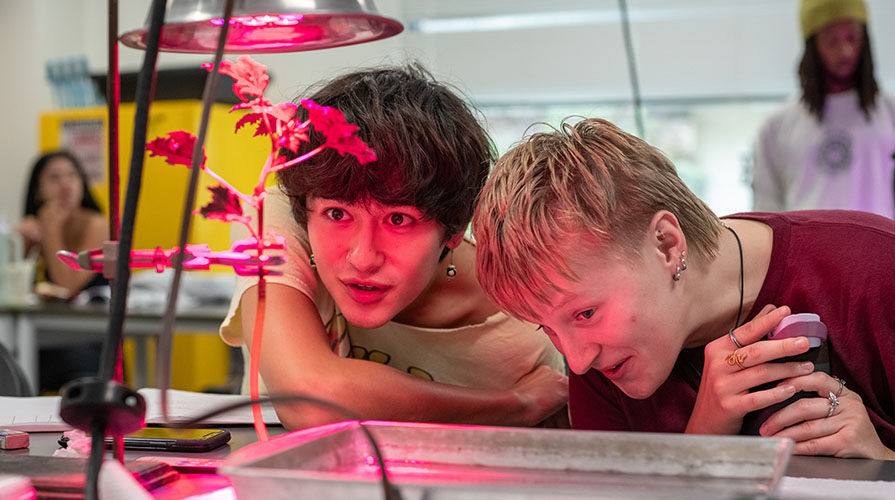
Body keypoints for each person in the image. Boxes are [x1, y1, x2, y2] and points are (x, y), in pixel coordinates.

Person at [473, 117, 895, 460]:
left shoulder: (875, 270)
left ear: (667, 243)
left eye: (585, 313)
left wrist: (882, 464)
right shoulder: (601, 369)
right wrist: (704, 440)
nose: (578, 362)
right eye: (546, 328)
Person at [219, 64, 568, 430]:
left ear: (454, 228)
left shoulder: (520, 325)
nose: (363, 258)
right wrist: (515, 405)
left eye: (399, 220)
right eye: (337, 213)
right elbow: (307, 398)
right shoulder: (272, 216)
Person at [752, 0, 895, 218]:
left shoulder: (890, 112)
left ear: (865, 41)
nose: (845, 51)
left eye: (851, 38)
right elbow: (765, 212)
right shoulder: (777, 126)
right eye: (831, 40)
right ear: (812, 45)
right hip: (805, 251)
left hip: (880, 250)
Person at [16, 150, 108, 391]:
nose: (65, 185)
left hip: (91, 339)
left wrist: (51, 231)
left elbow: (68, 285)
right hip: (45, 336)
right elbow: (10, 289)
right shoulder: (37, 225)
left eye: (72, 176)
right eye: (54, 178)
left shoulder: (97, 224)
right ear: (38, 191)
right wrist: (22, 242)